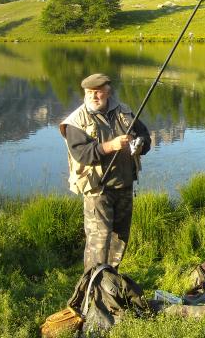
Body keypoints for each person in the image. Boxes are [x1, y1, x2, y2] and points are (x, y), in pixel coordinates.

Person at [59, 73, 151, 271]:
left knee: (120, 240)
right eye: (89, 92)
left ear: (108, 92)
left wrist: (140, 145)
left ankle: (110, 283)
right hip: (97, 190)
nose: (94, 96)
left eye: (98, 92)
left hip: (124, 187)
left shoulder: (124, 112)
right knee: (98, 245)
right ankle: (91, 291)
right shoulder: (76, 121)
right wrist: (111, 146)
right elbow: (83, 154)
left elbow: (145, 135)